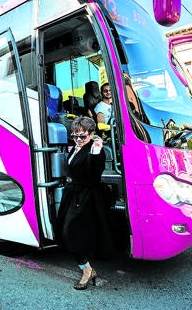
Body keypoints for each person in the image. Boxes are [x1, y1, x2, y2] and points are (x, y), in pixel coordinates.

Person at [56, 116, 116, 290]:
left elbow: (94, 172)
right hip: (73, 194)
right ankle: (87, 268)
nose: (78, 139)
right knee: (69, 233)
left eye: (82, 136)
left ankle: (86, 271)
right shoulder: (76, 147)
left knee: (72, 233)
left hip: (87, 197)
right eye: (75, 136)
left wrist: (96, 152)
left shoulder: (95, 149)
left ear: (92, 134)